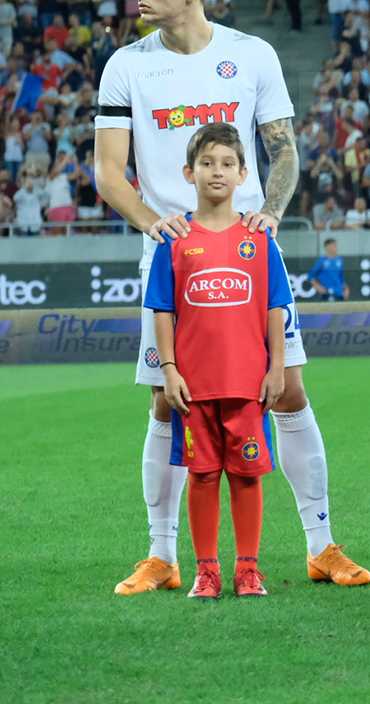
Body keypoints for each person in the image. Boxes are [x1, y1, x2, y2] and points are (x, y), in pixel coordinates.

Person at [96, 0, 370, 595]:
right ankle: (162, 556)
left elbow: (284, 151)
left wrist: (272, 211)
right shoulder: (126, 66)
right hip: (175, 260)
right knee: (168, 404)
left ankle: (320, 544)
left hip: (250, 257)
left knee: (289, 391)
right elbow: (109, 170)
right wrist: (150, 222)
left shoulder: (252, 55)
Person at [147, 122, 291, 600]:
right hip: (194, 385)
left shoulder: (259, 237)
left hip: (248, 382)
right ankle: (205, 571)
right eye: (207, 162)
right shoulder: (175, 240)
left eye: (227, 163)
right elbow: (162, 311)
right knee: (203, 474)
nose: (217, 171)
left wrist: (275, 369)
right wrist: (167, 370)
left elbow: (275, 309)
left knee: (248, 476)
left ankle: (247, 570)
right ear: (189, 172)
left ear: (243, 174)